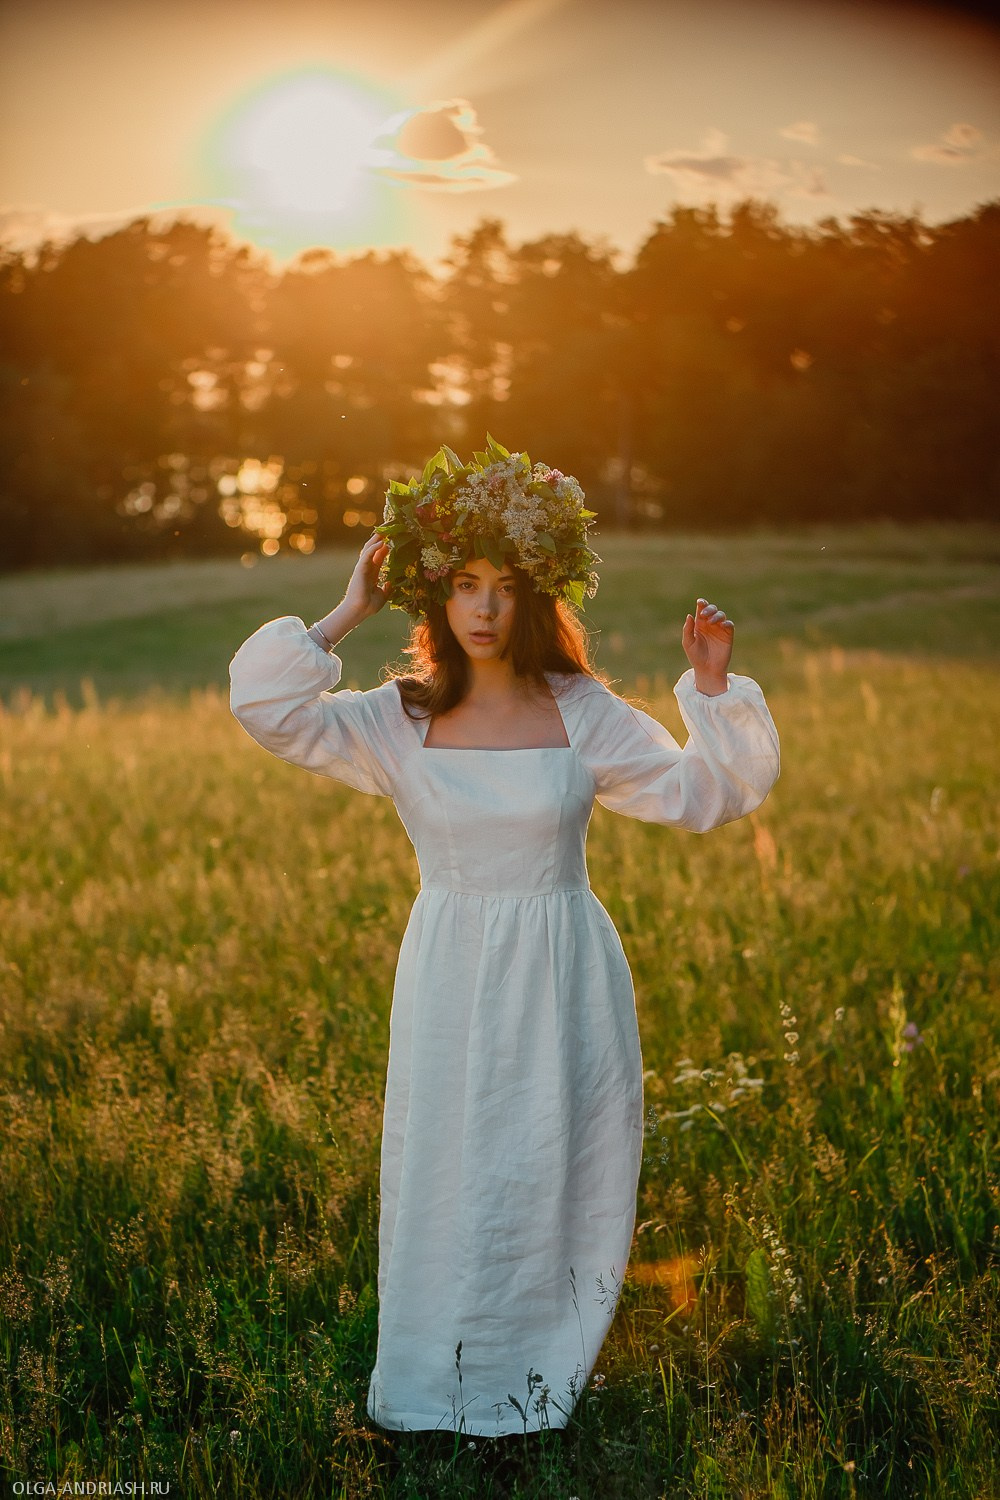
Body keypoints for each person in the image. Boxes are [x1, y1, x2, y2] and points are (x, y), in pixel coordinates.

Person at [228, 442, 780, 1438]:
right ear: (433, 600)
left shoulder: (582, 714)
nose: (483, 608)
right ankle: (434, 1385)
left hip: (562, 967)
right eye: (463, 586)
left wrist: (707, 691)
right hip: (447, 967)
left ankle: (533, 1383)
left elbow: (707, 795)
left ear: (537, 598)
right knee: (450, 1164)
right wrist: (350, 605)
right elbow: (265, 706)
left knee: (549, 1163)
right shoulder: (394, 720)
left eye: (505, 587)